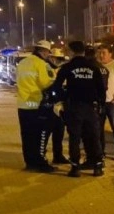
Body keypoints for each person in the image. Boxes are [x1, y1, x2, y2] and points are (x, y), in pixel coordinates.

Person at [52, 41, 106, 177]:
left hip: (74, 107)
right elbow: (102, 89)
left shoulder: (67, 67)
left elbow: (57, 87)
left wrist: (64, 98)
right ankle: (98, 166)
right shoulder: (94, 67)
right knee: (94, 136)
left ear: (71, 52)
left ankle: (75, 167)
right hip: (91, 107)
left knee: (74, 137)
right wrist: (100, 105)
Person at [16, 40, 56, 172]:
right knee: (39, 136)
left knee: (26, 136)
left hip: (22, 105)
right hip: (36, 105)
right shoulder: (41, 64)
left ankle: (29, 163)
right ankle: (40, 163)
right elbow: (46, 84)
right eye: (48, 53)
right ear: (44, 51)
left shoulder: (22, 63)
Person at [45, 48, 70, 164]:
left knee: (59, 132)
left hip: (60, 105)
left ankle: (58, 156)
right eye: (55, 58)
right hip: (48, 104)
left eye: (59, 59)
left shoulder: (63, 69)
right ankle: (42, 155)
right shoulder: (46, 68)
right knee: (45, 133)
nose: (57, 61)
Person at [86, 45, 108, 164]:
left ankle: (94, 158)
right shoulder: (103, 68)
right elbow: (104, 88)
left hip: (90, 105)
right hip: (100, 104)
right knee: (100, 132)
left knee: (91, 133)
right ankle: (101, 154)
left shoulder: (90, 68)